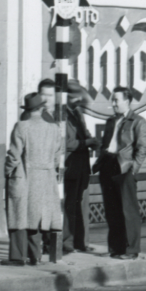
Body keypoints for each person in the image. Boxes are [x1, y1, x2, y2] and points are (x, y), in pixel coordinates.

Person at [4, 82, 64, 265]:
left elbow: (14, 155)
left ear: (28, 110)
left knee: (19, 216)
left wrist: (7, 172)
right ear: (41, 109)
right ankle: (35, 256)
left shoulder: (22, 127)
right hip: (45, 180)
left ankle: (17, 257)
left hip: (25, 177)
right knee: (37, 218)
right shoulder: (54, 129)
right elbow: (56, 158)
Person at [96, 95, 146, 259]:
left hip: (125, 169)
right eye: (112, 100)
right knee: (112, 211)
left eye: (116, 100)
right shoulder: (111, 121)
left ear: (127, 101)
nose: (113, 104)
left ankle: (131, 250)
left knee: (128, 211)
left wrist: (134, 169)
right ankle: (116, 248)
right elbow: (106, 144)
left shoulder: (138, 121)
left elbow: (143, 146)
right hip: (108, 167)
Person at [61, 84, 96, 254]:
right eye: (76, 97)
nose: (79, 101)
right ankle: (68, 243)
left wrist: (91, 140)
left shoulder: (77, 113)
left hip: (82, 167)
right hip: (70, 167)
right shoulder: (62, 115)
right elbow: (65, 143)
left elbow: (85, 133)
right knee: (69, 206)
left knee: (80, 205)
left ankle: (80, 242)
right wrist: (86, 143)